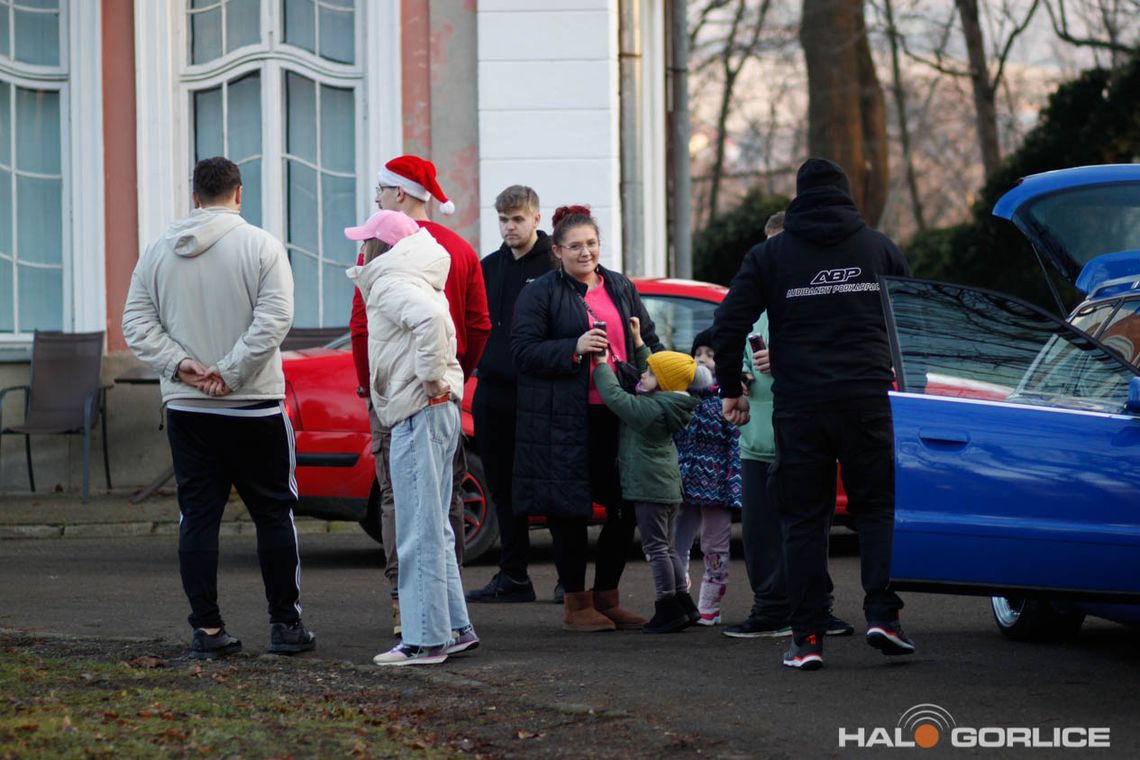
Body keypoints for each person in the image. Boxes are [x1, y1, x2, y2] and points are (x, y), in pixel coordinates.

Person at [712, 158, 914, 671]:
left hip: (800, 405)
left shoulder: (771, 255)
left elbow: (729, 323)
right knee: (876, 510)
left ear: (799, 196)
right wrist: (915, 388)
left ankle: (806, 639)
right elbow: (912, 324)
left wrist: (730, 390)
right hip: (868, 399)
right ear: (845, 195)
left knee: (803, 519)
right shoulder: (879, 249)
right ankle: (884, 616)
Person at [122, 156, 315, 660]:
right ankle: (285, 625)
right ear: (239, 193)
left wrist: (182, 365)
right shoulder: (262, 246)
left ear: (194, 196)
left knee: (198, 518)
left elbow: (136, 323)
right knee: (274, 514)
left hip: (187, 407)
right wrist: (229, 372)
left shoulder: (159, 250)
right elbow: (275, 318)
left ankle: (206, 630)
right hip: (253, 405)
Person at [350, 154, 491, 636]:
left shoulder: (386, 256)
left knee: (406, 508)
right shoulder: (458, 251)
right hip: (442, 397)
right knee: (444, 507)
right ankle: (450, 620)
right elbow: (478, 325)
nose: (377, 199)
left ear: (401, 195)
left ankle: (416, 619)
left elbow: (363, 325)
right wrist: (454, 379)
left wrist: (380, 386)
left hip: (407, 398)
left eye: (381, 192)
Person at [511, 204, 661, 632]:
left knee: (625, 504)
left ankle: (607, 598)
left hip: (620, 413)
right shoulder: (540, 291)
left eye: (591, 244)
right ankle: (576, 604)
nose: (585, 252)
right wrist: (573, 347)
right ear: (556, 251)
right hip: (564, 420)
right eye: (575, 246)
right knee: (569, 512)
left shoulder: (618, 285)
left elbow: (645, 339)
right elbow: (522, 351)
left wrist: (655, 370)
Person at [719, 212, 853, 641]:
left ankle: (816, 609)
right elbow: (733, 357)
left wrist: (787, 359)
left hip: (807, 437)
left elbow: (844, 357)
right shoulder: (752, 305)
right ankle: (772, 608)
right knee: (761, 535)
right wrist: (737, 382)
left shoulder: (820, 302)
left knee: (810, 530)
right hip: (757, 438)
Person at [466, 185, 557, 604]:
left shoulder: (557, 265)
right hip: (493, 392)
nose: (509, 227)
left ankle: (568, 579)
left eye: (517, 218)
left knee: (550, 484)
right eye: (503, 219)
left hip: (541, 392)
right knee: (501, 485)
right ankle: (514, 575)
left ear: (537, 218)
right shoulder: (487, 268)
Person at [594, 339, 708, 633]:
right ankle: (684, 603)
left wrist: (602, 364)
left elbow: (615, 398)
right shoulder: (671, 401)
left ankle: (667, 607)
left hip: (649, 488)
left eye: (648, 374)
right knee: (667, 547)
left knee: (656, 548)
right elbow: (662, 371)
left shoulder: (651, 410)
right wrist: (640, 344)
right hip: (666, 488)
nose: (642, 376)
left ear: (663, 384)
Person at [672, 328, 742, 626]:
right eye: (698, 353)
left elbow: (735, 447)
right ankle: (678, 593)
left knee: (715, 547)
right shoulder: (679, 398)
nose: (703, 360)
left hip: (716, 488)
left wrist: (733, 486)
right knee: (675, 543)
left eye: (711, 355)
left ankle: (709, 605)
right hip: (681, 485)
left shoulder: (729, 399)